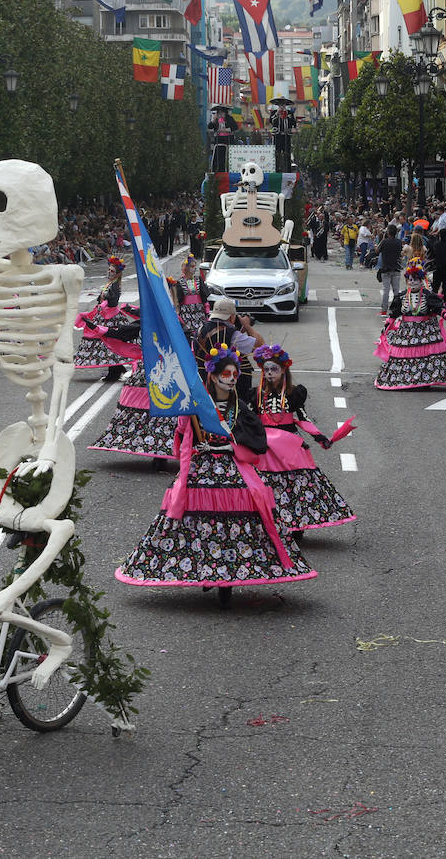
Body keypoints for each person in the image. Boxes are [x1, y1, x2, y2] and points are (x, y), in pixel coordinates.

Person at [114, 345, 316, 607]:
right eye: (226, 374)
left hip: (232, 468)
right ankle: (202, 569)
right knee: (194, 519)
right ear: (213, 376)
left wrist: (228, 446)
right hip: (201, 468)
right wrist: (186, 425)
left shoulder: (240, 407)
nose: (232, 379)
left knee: (240, 517)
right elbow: (181, 437)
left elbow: (257, 440)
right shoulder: (198, 407)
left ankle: (229, 576)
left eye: (234, 374)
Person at [249, 344, 355, 537]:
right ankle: (267, 523)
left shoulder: (294, 393)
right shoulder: (256, 394)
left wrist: (320, 437)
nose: (270, 373)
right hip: (264, 448)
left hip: (289, 446)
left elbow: (303, 418)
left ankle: (296, 524)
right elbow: (249, 420)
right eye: (266, 370)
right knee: (266, 485)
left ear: (283, 371)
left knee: (293, 485)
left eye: (275, 369)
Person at [375, 260, 446, 389]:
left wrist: (444, 314)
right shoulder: (401, 296)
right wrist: (387, 325)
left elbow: (437, 307)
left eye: (415, 279)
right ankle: (407, 379)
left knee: (426, 355)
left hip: (425, 330)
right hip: (406, 332)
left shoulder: (428, 295)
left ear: (421, 280)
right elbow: (394, 313)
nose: (412, 282)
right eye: (410, 279)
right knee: (405, 356)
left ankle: (425, 380)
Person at [74, 256, 140, 381]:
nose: (109, 272)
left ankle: (115, 370)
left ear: (118, 274)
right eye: (109, 270)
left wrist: (103, 302)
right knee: (105, 343)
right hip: (104, 315)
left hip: (111, 317)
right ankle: (116, 368)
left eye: (112, 271)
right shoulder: (110, 284)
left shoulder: (115, 286)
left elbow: (112, 300)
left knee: (110, 342)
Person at [171, 254, 210, 335]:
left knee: (200, 332)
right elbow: (177, 299)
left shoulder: (198, 279)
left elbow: (204, 295)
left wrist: (206, 309)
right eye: (192, 266)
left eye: (194, 266)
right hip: (186, 312)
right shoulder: (179, 282)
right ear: (186, 268)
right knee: (188, 333)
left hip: (199, 311)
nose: (194, 268)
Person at [376, 225, 405, 314]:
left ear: (388, 233)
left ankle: (384, 310)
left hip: (386, 269)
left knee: (386, 290)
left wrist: (383, 239)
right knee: (396, 290)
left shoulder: (384, 242)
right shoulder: (399, 242)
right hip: (396, 268)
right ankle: (396, 309)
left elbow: (377, 251)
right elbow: (401, 252)